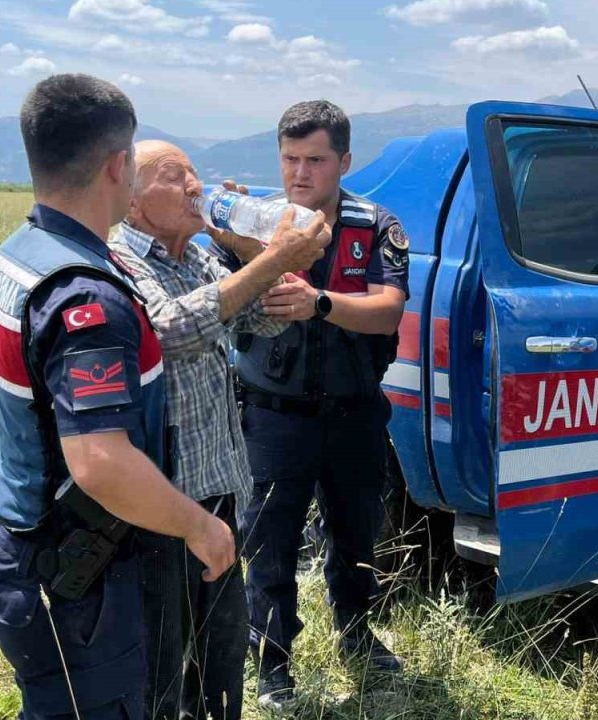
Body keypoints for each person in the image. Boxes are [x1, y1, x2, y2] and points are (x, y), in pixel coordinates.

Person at [0, 74, 236, 719]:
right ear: (119, 166)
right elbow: (101, 461)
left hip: (24, 541)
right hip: (78, 573)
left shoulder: (20, 255)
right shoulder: (88, 296)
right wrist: (200, 525)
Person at [106, 140, 330, 719]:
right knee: (162, 657)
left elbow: (260, 320)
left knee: (223, 651)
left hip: (221, 487)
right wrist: (268, 263)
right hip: (162, 501)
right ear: (131, 201)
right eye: (173, 177)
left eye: (195, 176)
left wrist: (253, 254)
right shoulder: (120, 261)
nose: (194, 188)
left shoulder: (199, 257)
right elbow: (170, 331)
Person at [225, 99, 411, 710]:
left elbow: (388, 308)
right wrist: (216, 223)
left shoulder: (374, 224)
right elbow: (210, 283)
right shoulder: (256, 223)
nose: (300, 173)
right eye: (289, 159)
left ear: (344, 161)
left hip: (355, 412)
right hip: (274, 414)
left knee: (358, 533)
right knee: (269, 542)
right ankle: (272, 661)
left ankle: (356, 634)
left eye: (315, 160)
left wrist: (319, 303)